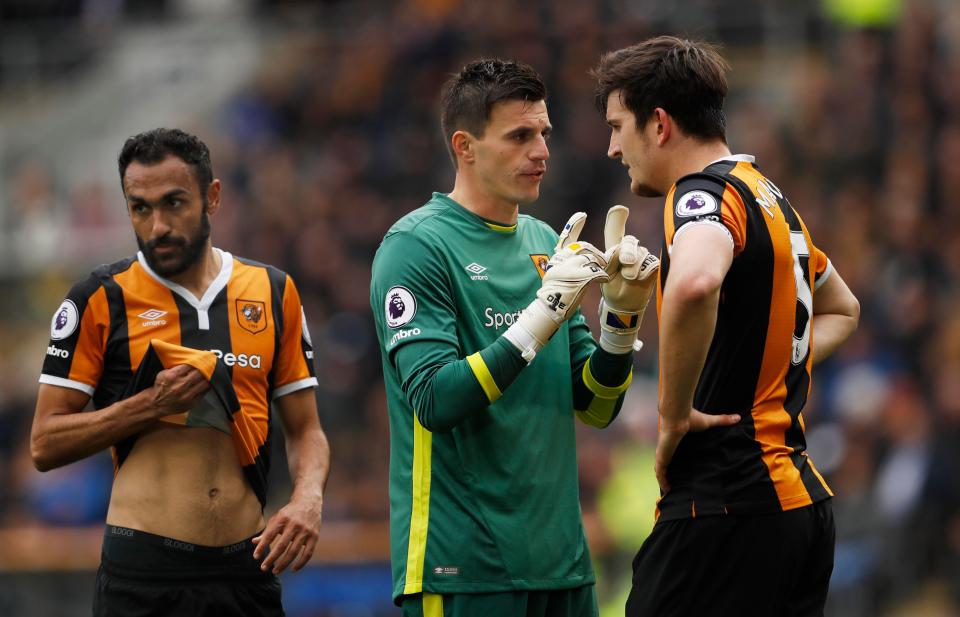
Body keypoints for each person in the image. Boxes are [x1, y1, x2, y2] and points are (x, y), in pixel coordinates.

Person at [370, 58, 659, 617]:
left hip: (563, 567)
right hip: (464, 569)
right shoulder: (416, 247)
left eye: (544, 133)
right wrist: (542, 314)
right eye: (520, 136)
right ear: (465, 146)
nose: (541, 151)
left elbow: (595, 407)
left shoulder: (547, 242)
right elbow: (434, 399)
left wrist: (620, 321)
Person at [592, 36, 861, 616]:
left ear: (659, 124)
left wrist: (672, 416)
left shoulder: (701, 194)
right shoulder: (769, 197)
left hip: (726, 505)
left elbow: (694, 282)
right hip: (799, 506)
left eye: (617, 126)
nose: (613, 148)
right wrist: (761, 371)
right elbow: (842, 307)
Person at [31, 128, 330, 616]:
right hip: (144, 574)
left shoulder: (274, 291)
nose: (157, 227)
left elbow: (306, 428)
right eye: (140, 208)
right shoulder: (99, 298)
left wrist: (308, 498)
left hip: (247, 568)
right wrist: (151, 405)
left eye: (174, 203)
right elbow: (44, 443)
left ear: (212, 197)